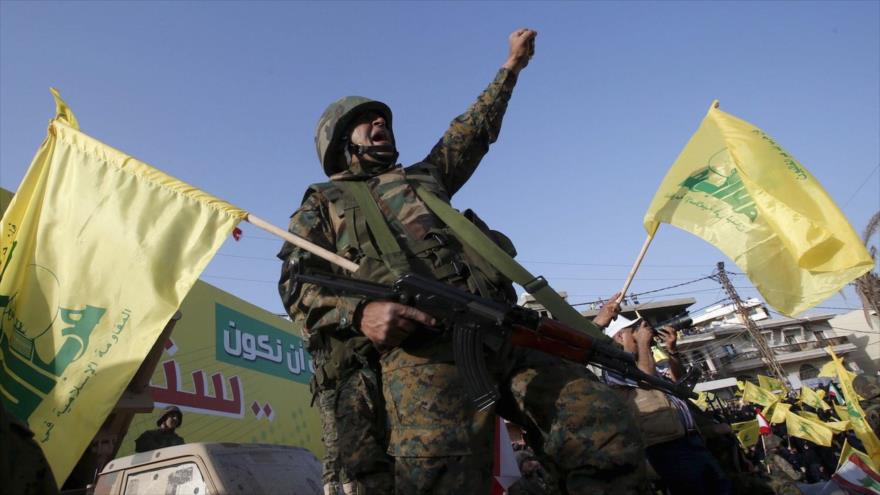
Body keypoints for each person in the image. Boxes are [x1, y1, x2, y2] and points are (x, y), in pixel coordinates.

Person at [279, 28, 647, 494]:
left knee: (601, 429)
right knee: (441, 475)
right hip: (423, 349)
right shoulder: (324, 202)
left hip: (502, 327)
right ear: (340, 142)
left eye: (382, 117)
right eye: (365, 121)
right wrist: (360, 312)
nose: (380, 122)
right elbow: (297, 284)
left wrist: (510, 68)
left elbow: (471, 131)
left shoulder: (424, 177)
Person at [604, 315, 731, 495]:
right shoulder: (614, 366)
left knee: (720, 488)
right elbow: (646, 377)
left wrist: (672, 351)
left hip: (691, 438)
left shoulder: (647, 360)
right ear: (619, 336)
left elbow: (679, 380)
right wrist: (643, 343)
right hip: (665, 445)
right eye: (635, 331)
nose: (641, 332)